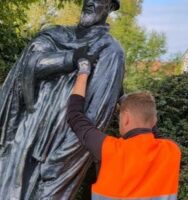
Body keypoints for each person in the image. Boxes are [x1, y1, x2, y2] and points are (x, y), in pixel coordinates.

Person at [0, 0, 124, 199]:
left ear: (111, 7)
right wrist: (69, 59)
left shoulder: (110, 52)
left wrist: (62, 160)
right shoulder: (56, 35)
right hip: (23, 135)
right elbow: (29, 64)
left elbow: (95, 117)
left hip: (56, 146)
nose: (90, 1)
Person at [66, 58, 181, 199]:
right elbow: (153, 130)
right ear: (154, 120)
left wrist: (83, 71)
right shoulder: (171, 151)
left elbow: (74, 115)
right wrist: (124, 99)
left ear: (126, 118)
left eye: (119, 117)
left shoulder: (111, 149)